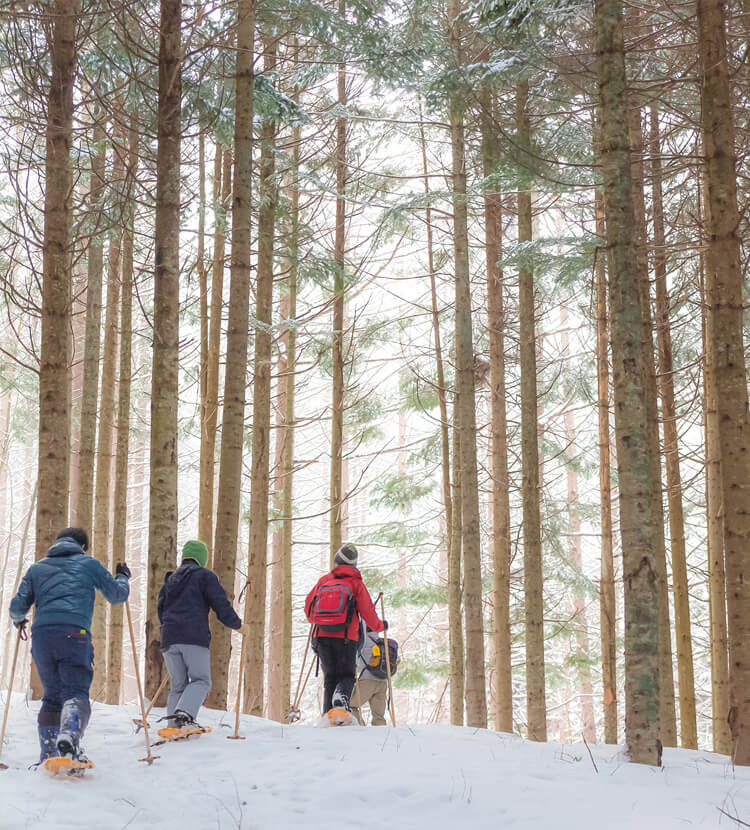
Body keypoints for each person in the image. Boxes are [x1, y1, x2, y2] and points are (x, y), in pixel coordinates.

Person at [9, 527, 131, 762]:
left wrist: (19, 621)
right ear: (83, 546)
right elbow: (117, 595)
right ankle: (69, 735)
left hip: (42, 637)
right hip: (74, 635)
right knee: (75, 692)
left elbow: (16, 607)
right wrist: (122, 576)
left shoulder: (37, 568)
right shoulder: (89, 564)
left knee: (52, 696)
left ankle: (49, 753)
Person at [157, 539, 247, 728]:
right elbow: (220, 605)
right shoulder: (205, 576)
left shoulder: (170, 579)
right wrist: (238, 625)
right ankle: (184, 715)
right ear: (202, 558)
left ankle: (174, 727)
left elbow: (161, 610)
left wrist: (169, 630)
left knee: (178, 685)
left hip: (168, 639)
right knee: (201, 680)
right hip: (193, 637)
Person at [304, 543, 385, 715]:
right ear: (354, 564)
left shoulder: (324, 581)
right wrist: (380, 626)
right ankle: (341, 700)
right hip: (346, 638)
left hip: (321, 637)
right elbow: (368, 613)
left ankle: (329, 716)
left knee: (330, 679)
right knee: (346, 676)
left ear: (337, 561)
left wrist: (323, 622)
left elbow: (309, 611)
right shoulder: (356, 584)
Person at [351, 625, 392, 726]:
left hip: (367, 680)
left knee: (351, 706)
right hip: (383, 681)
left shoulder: (363, 641)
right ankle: (381, 738)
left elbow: (353, 659)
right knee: (379, 716)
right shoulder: (384, 642)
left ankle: (361, 729)